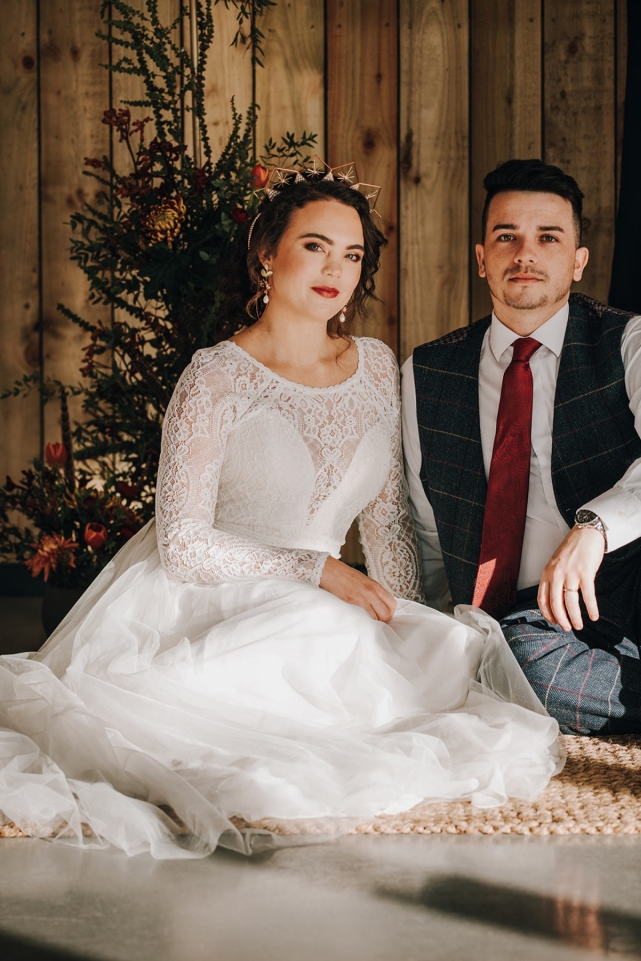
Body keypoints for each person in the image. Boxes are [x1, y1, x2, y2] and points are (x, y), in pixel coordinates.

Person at [0, 159, 562, 859]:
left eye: (351, 254)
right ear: (267, 254)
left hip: (331, 595)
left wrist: (408, 626)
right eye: (315, 245)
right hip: (206, 594)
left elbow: (385, 523)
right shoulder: (215, 375)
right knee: (272, 708)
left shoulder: (376, 366)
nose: (335, 269)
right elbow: (183, 543)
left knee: (436, 674)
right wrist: (317, 570)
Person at [402, 158, 641, 751]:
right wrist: (431, 643)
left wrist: (597, 526)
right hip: (536, 625)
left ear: (578, 260)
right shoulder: (426, 373)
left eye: (548, 237)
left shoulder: (628, 337)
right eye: (507, 237)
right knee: (516, 670)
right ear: (482, 257)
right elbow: (427, 530)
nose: (525, 254)